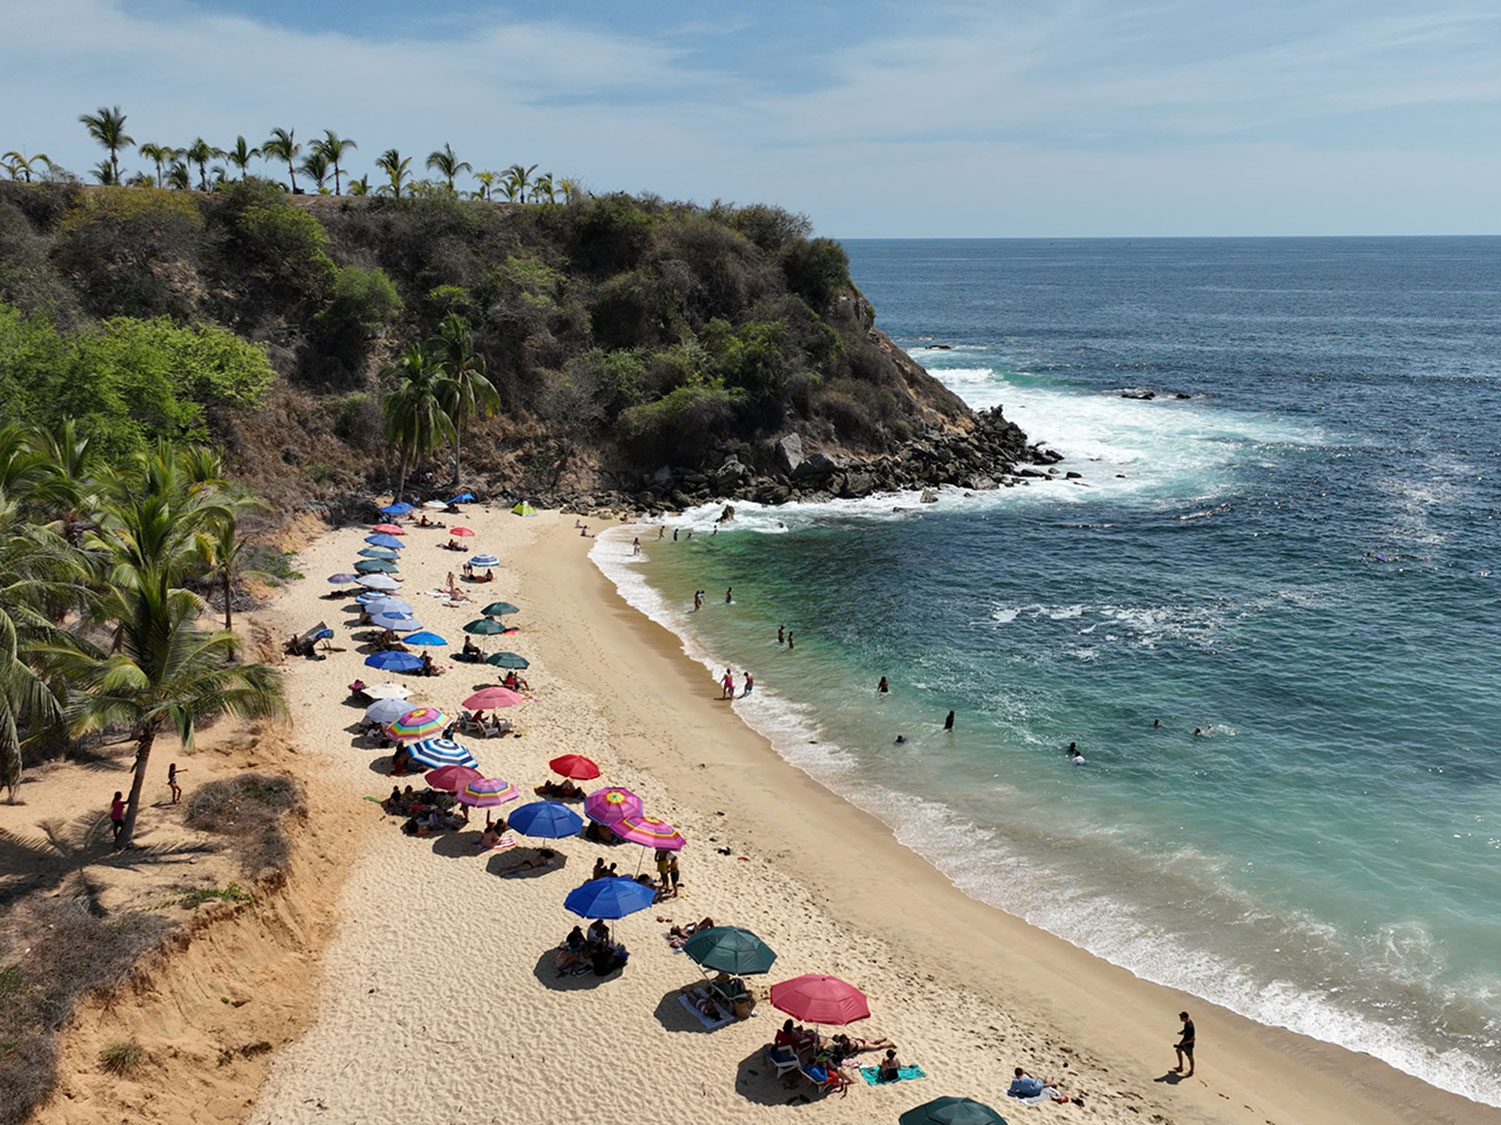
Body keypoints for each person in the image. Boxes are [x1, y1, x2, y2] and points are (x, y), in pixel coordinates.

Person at [1174, 1010, 1195, 1076]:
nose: (1180, 1018)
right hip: (1184, 1040)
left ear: (1185, 1018)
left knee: (1190, 1057)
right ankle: (1180, 1067)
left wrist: (1184, 1043)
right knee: (1178, 1050)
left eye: (1181, 1017)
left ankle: (1191, 1071)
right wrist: (1182, 1032)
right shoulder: (1187, 1022)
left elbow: (1193, 1039)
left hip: (1189, 1044)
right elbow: (1185, 1029)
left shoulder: (1190, 1027)